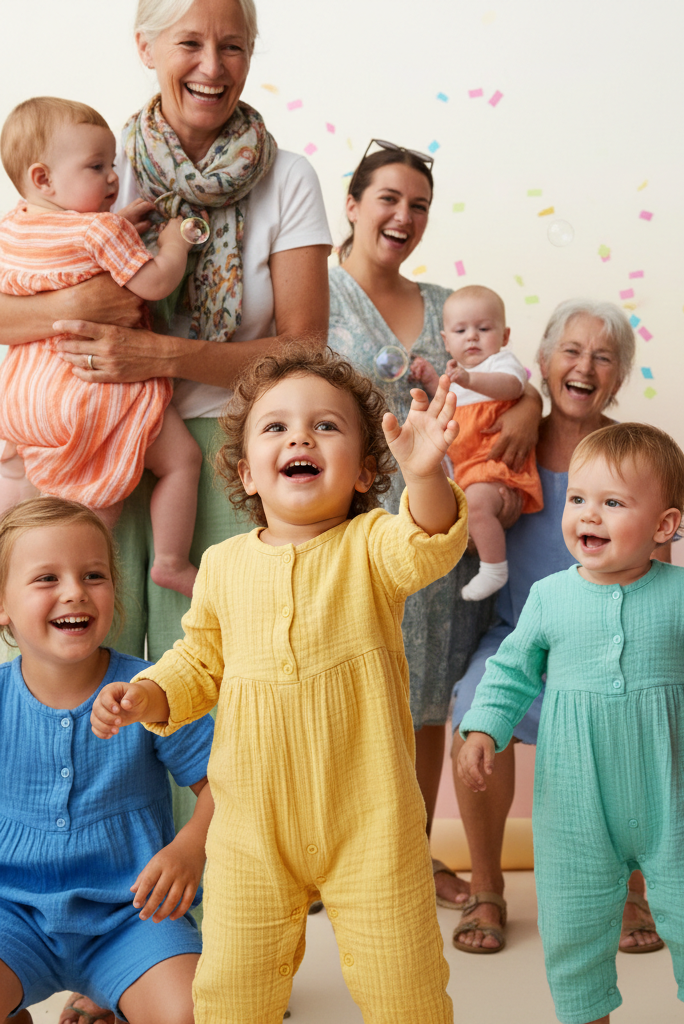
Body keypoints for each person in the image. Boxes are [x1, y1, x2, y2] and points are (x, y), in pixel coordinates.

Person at [91, 350, 465, 1024]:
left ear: (362, 473)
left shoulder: (373, 546)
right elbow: (198, 662)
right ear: (246, 474)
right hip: (249, 831)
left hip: (372, 821)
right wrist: (147, 693)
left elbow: (431, 537)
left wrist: (425, 473)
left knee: (405, 990)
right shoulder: (225, 565)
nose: (300, 438)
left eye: (326, 427)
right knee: (232, 994)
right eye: (276, 429)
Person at [0, 0, 332, 666]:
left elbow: (305, 352)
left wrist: (159, 354)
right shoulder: (92, 164)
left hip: (225, 450)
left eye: (234, 46)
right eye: (190, 43)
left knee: (217, 675)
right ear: (145, 48)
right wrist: (91, 302)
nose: (213, 67)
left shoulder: (287, 177)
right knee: (81, 669)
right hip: (87, 441)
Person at [327, 141, 541, 907]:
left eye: (418, 203)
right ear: (351, 204)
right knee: (345, 698)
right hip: (345, 525)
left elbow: (511, 380)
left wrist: (531, 406)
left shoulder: (452, 303)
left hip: (440, 526)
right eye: (388, 198)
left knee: (425, 700)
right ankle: (341, 868)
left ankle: (410, 862)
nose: (403, 216)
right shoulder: (309, 295)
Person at [458, 423, 684, 1024]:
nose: (590, 515)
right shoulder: (550, 597)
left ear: (663, 526)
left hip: (679, 795)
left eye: (613, 503)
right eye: (578, 499)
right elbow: (510, 670)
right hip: (575, 804)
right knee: (574, 932)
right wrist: (483, 729)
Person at [450, 299, 665, 955]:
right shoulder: (509, 436)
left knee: (636, 712)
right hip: (518, 636)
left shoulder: (632, 453)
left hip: (609, 640)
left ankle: (632, 890)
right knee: (473, 707)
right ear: (542, 362)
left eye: (604, 357)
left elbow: (660, 562)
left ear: (619, 378)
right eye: (571, 350)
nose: (585, 366)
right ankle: (487, 889)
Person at [0, 497, 213, 1024]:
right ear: (2, 605)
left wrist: (190, 849)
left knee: (193, 1013)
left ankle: (109, 994)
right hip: (12, 916)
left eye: (94, 574)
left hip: (133, 918)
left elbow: (223, 787)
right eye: (46, 578)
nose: (75, 591)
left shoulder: (152, 691)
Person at [0, 97, 201, 597]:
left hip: (25, 397)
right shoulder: (101, 229)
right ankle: (172, 563)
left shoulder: (13, 227)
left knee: (31, 498)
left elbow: (64, 256)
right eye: (96, 167)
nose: (112, 179)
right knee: (176, 462)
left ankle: (14, 576)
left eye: (111, 165)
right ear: (44, 179)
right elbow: (151, 282)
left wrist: (117, 225)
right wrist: (175, 242)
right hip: (91, 392)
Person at [412, 285, 543, 601]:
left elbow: (512, 387)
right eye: (461, 330)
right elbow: (450, 399)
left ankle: (494, 569)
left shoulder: (500, 364)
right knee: (461, 513)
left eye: (483, 329)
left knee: (477, 507)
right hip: (467, 468)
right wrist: (432, 379)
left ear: (504, 336)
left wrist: (469, 379)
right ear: (446, 341)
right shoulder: (458, 375)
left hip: (496, 465)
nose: (472, 337)